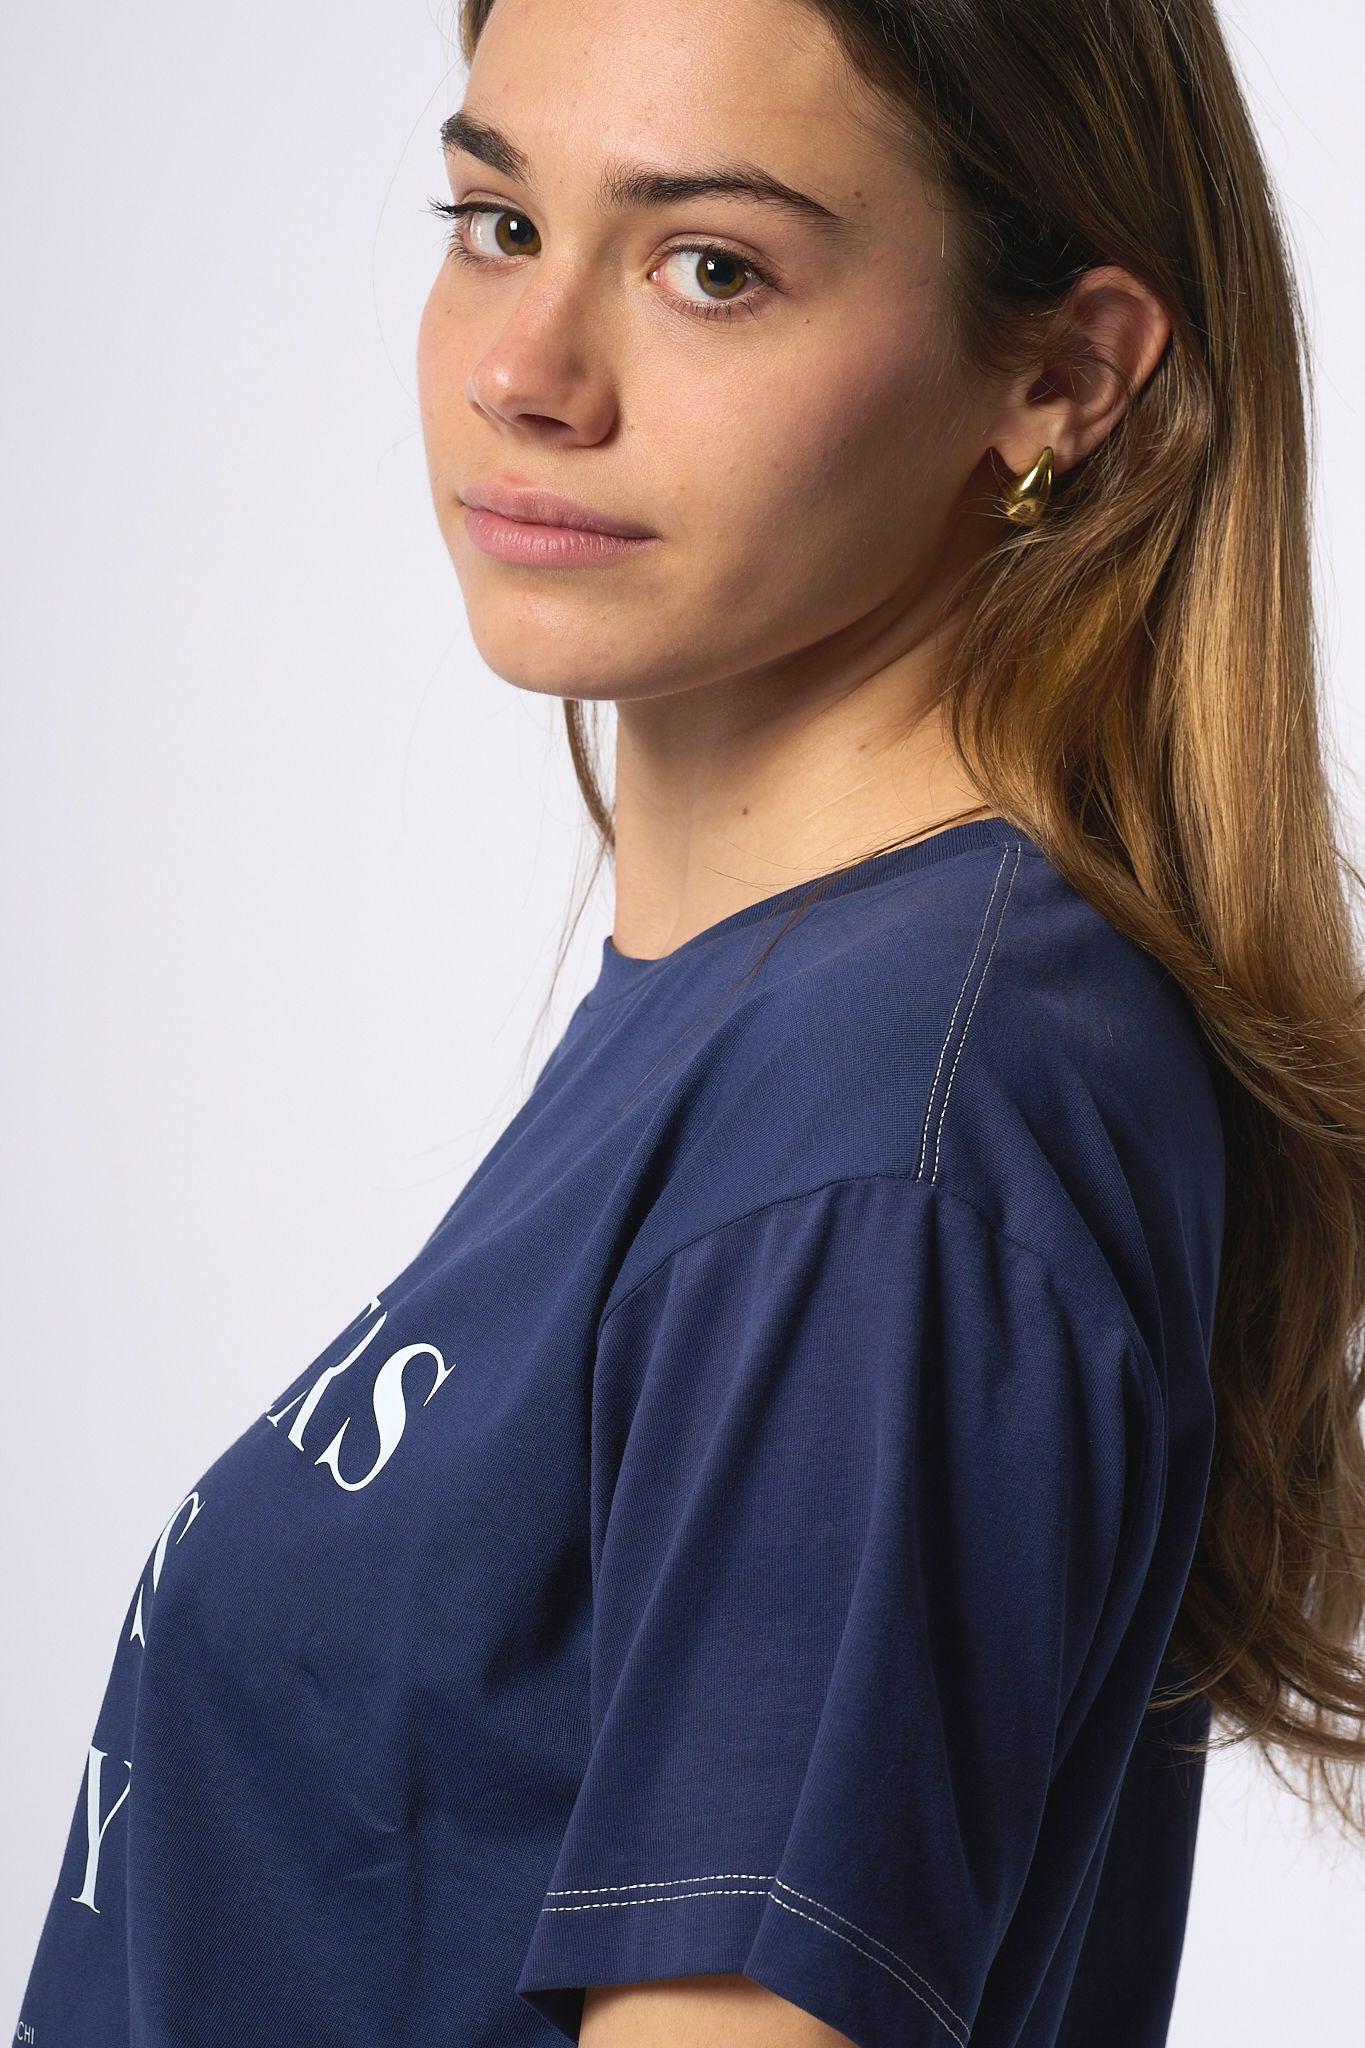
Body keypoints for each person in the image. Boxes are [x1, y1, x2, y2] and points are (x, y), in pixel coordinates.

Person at [15, 0, 1365, 2042]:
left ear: (1060, 377)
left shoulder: (887, 1136)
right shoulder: (817, 1027)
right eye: (495, 221)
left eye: (709, 266)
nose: (524, 372)